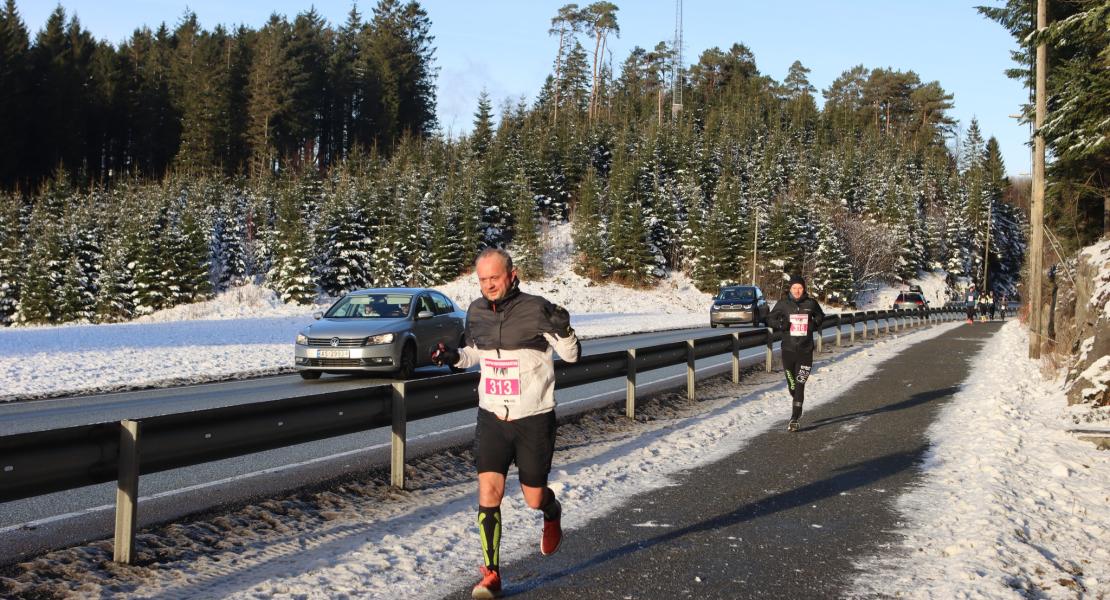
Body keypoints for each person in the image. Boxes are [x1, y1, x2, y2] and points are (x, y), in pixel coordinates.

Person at [431, 248, 581, 599]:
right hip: (492, 418)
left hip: (534, 420)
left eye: (494, 278)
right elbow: (472, 354)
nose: (488, 286)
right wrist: (452, 357)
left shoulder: (536, 308)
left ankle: (551, 510)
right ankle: (492, 574)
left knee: (532, 498)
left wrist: (565, 330)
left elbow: (572, 356)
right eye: (482, 280)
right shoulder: (476, 311)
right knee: (489, 492)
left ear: (512, 275)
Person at [768, 274, 825, 433]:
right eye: (794, 288)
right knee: (792, 385)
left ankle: (794, 418)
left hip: (806, 350)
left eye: (800, 288)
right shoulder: (783, 304)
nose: (797, 291)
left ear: (804, 288)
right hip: (788, 350)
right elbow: (769, 319)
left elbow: (820, 316)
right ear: (790, 289)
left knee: (800, 383)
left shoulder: (811, 303)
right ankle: (796, 400)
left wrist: (814, 324)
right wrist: (781, 324)